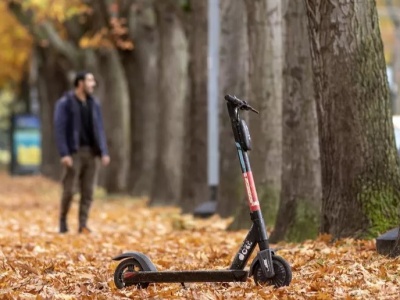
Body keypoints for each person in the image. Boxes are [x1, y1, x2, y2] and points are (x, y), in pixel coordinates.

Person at [54, 71, 110, 234]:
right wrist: (64, 153)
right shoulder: (65, 103)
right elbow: (60, 129)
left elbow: (99, 129)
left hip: (91, 153)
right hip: (74, 153)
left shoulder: (94, 104)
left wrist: (103, 151)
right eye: (90, 80)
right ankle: (63, 221)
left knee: (88, 191)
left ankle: (82, 224)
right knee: (69, 190)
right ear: (80, 83)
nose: (93, 84)